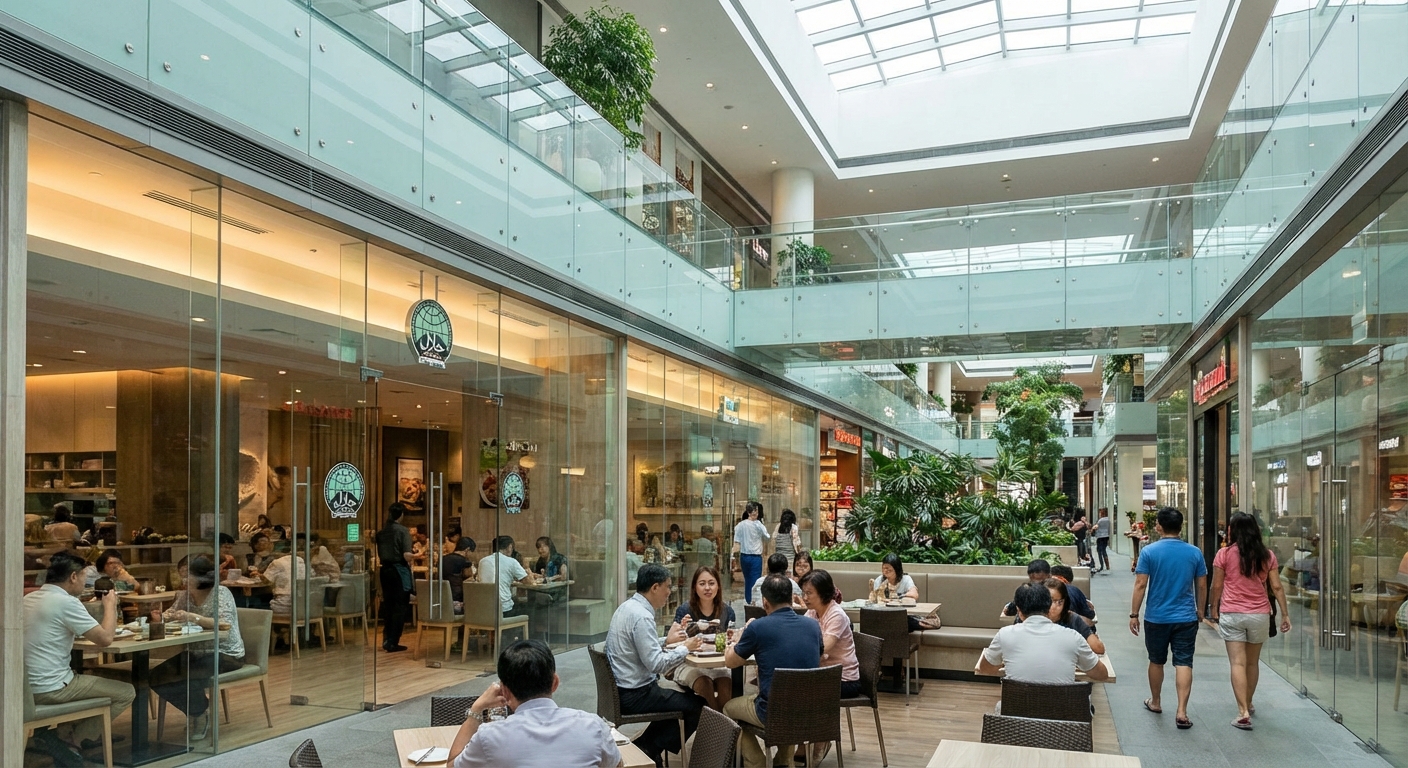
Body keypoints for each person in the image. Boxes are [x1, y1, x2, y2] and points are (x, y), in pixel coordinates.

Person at [24, 552, 137, 764]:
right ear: (73, 577)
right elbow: (105, 639)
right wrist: (110, 605)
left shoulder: (28, 599)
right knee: (126, 692)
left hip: (24, 690)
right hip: (52, 688)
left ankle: (56, 734)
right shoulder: (66, 602)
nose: (86, 582)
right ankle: (71, 740)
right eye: (84, 577)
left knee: (85, 680)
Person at [448, 640, 618, 768]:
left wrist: (476, 710)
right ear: (555, 683)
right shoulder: (593, 726)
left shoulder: (489, 738)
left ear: (505, 691)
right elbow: (617, 765)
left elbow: (452, 765)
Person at [605, 563, 705, 766]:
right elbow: (656, 664)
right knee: (697, 706)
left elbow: (638, 646)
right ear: (655, 587)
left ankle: (647, 746)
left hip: (620, 689)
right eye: (667, 586)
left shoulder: (627, 608)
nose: (669, 592)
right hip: (635, 694)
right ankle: (648, 747)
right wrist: (685, 648)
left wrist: (666, 641)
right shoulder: (642, 616)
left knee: (680, 699)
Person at [723, 575, 823, 768]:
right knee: (789, 696)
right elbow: (816, 656)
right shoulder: (813, 625)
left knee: (728, 708)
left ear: (765, 602)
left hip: (771, 713)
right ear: (792, 598)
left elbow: (731, 662)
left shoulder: (758, 627)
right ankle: (783, 761)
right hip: (809, 712)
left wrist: (735, 641)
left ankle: (756, 761)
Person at [1208, 512, 1291, 730]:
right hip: (1259, 614)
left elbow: (1217, 585)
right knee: (1253, 663)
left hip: (1232, 612)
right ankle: (1249, 701)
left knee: (1238, 662)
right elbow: (1276, 587)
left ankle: (1242, 711)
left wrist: (1213, 608)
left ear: (1232, 531)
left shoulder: (1224, 554)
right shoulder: (1267, 555)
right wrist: (1285, 613)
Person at [1130, 507, 1208, 730]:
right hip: (1185, 616)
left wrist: (1134, 614)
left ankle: (1155, 702)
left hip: (1157, 617)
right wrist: (1201, 610)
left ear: (1158, 527)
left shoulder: (1149, 552)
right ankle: (1182, 711)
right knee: (1184, 661)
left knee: (1156, 660)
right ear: (1181, 527)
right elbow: (1202, 584)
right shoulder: (1194, 552)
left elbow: (1140, 584)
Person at [151, 556, 245, 737]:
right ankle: (199, 710)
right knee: (157, 676)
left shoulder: (221, 593)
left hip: (225, 653)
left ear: (203, 577)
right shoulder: (185, 595)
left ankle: (199, 714)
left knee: (188, 677)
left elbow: (224, 624)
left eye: (188, 575)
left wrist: (193, 617)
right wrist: (160, 617)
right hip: (195, 652)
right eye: (183, 575)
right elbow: (171, 613)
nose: (184, 580)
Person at [979, 583, 1108, 686]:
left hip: (1017, 710)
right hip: (1062, 711)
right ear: (1048, 607)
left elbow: (985, 669)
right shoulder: (1073, 637)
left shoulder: (1004, 634)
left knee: (1000, 706)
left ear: (1018, 610)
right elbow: (1102, 674)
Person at [671, 566, 737, 710]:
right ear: (695, 587)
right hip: (689, 665)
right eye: (702, 584)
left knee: (725, 686)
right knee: (704, 684)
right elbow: (672, 642)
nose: (707, 588)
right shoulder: (684, 610)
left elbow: (731, 642)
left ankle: (719, 722)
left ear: (718, 586)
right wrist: (683, 631)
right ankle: (716, 721)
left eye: (711, 583)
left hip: (718, 664)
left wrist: (732, 638)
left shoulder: (727, 611)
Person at [802, 569, 860, 702]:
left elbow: (822, 648)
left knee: (795, 688)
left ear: (823, 593)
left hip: (844, 680)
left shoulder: (836, 615)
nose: (805, 598)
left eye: (809, 593)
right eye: (803, 593)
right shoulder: (812, 612)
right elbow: (801, 636)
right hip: (823, 674)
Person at [376, 502, 415, 652]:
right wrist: (418, 555)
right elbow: (406, 555)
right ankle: (393, 641)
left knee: (388, 605)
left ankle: (386, 639)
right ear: (402, 515)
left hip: (384, 571)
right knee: (400, 607)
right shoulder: (403, 531)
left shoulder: (382, 532)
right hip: (398, 571)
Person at [1046, 578, 1105, 654]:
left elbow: (1099, 648)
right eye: (1050, 601)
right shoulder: (1034, 619)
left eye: (1059, 602)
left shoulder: (1072, 618)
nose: (1054, 606)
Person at [480, 535, 529, 616]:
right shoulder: (511, 561)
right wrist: (527, 567)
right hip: (504, 610)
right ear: (509, 547)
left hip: (485, 609)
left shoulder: (483, 561)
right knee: (528, 608)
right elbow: (528, 581)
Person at [731, 502, 770, 601]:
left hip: (744, 556)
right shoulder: (758, 524)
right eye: (755, 510)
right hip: (755, 557)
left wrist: (733, 555)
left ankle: (748, 600)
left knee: (747, 580)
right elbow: (767, 537)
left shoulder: (740, 525)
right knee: (755, 581)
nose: (756, 512)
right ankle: (753, 602)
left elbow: (736, 542)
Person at [265, 537, 307, 618]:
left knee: (259, 607)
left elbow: (266, 580)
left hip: (283, 606)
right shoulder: (301, 561)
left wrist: (258, 575)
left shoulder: (277, 562)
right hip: (303, 606)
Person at [444, 536, 477, 611]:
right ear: (467, 549)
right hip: (458, 598)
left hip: (443, 597)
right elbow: (469, 577)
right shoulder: (464, 561)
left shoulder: (443, 559)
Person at [1094, 508, 1112, 573]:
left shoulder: (1100, 520)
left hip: (1100, 537)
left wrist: (1093, 529)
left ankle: (1101, 566)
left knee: (1099, 551)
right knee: (1104, 550)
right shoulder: (1108, 520)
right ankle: (1107, 566)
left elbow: (1096, 527)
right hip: (1106, 536)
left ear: (1102, 513)